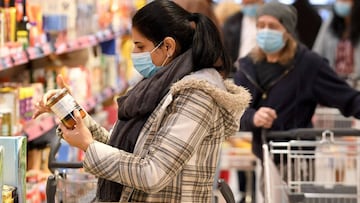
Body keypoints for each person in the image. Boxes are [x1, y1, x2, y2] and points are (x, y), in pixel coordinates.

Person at [33, 0, 251, 202]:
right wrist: (68, 109)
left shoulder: (197, 95)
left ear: (168, 46)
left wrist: (87, 145)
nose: (134, 54)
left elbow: (152, 173)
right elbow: (126, 151)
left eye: (139, 46)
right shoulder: (157, 86)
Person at [233, 1, 360, 161]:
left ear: (287, 31)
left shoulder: (308, 65)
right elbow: (235, 111)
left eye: (273, 26)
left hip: (298, 159)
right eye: (261, 25)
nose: (265, 31)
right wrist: (253, 117)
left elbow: (347, 98)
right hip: (265, 157)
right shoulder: (247, 66)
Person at [313, 0, 360, 87]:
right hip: (333, 84)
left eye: (345, 0)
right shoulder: (330, 22)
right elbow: (317, 52)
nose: (340, 3)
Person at [222, 0, 264, 74]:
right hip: (238, 70)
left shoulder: (269, 20)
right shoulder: (232, 21)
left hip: (261, 70)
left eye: (253, 3)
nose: (250, 7)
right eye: (246, 4)